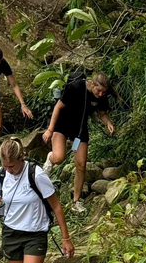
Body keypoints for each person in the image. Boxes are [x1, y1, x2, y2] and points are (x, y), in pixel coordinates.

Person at [0, 138, 74, 263]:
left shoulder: (36, 174)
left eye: (11, 166)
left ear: (21, 158)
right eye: (5, 166)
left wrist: (66, 239)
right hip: (11, 233)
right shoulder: (1, 175)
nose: (9, 170)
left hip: (35, 234)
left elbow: (56, 206)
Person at [42, 72, 115, 213]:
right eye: (98, 90)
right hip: (62, 125)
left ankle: (76, 201)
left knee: (81, 166)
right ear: (91, 84)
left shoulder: (102, 96)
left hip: (79, 131)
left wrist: (108, 123)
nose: (100, 94)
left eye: (103, 92)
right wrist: (50, 130)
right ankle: (50, 158)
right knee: (59, 157)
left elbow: (102, 113)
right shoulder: (75, 87)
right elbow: (58, 107)